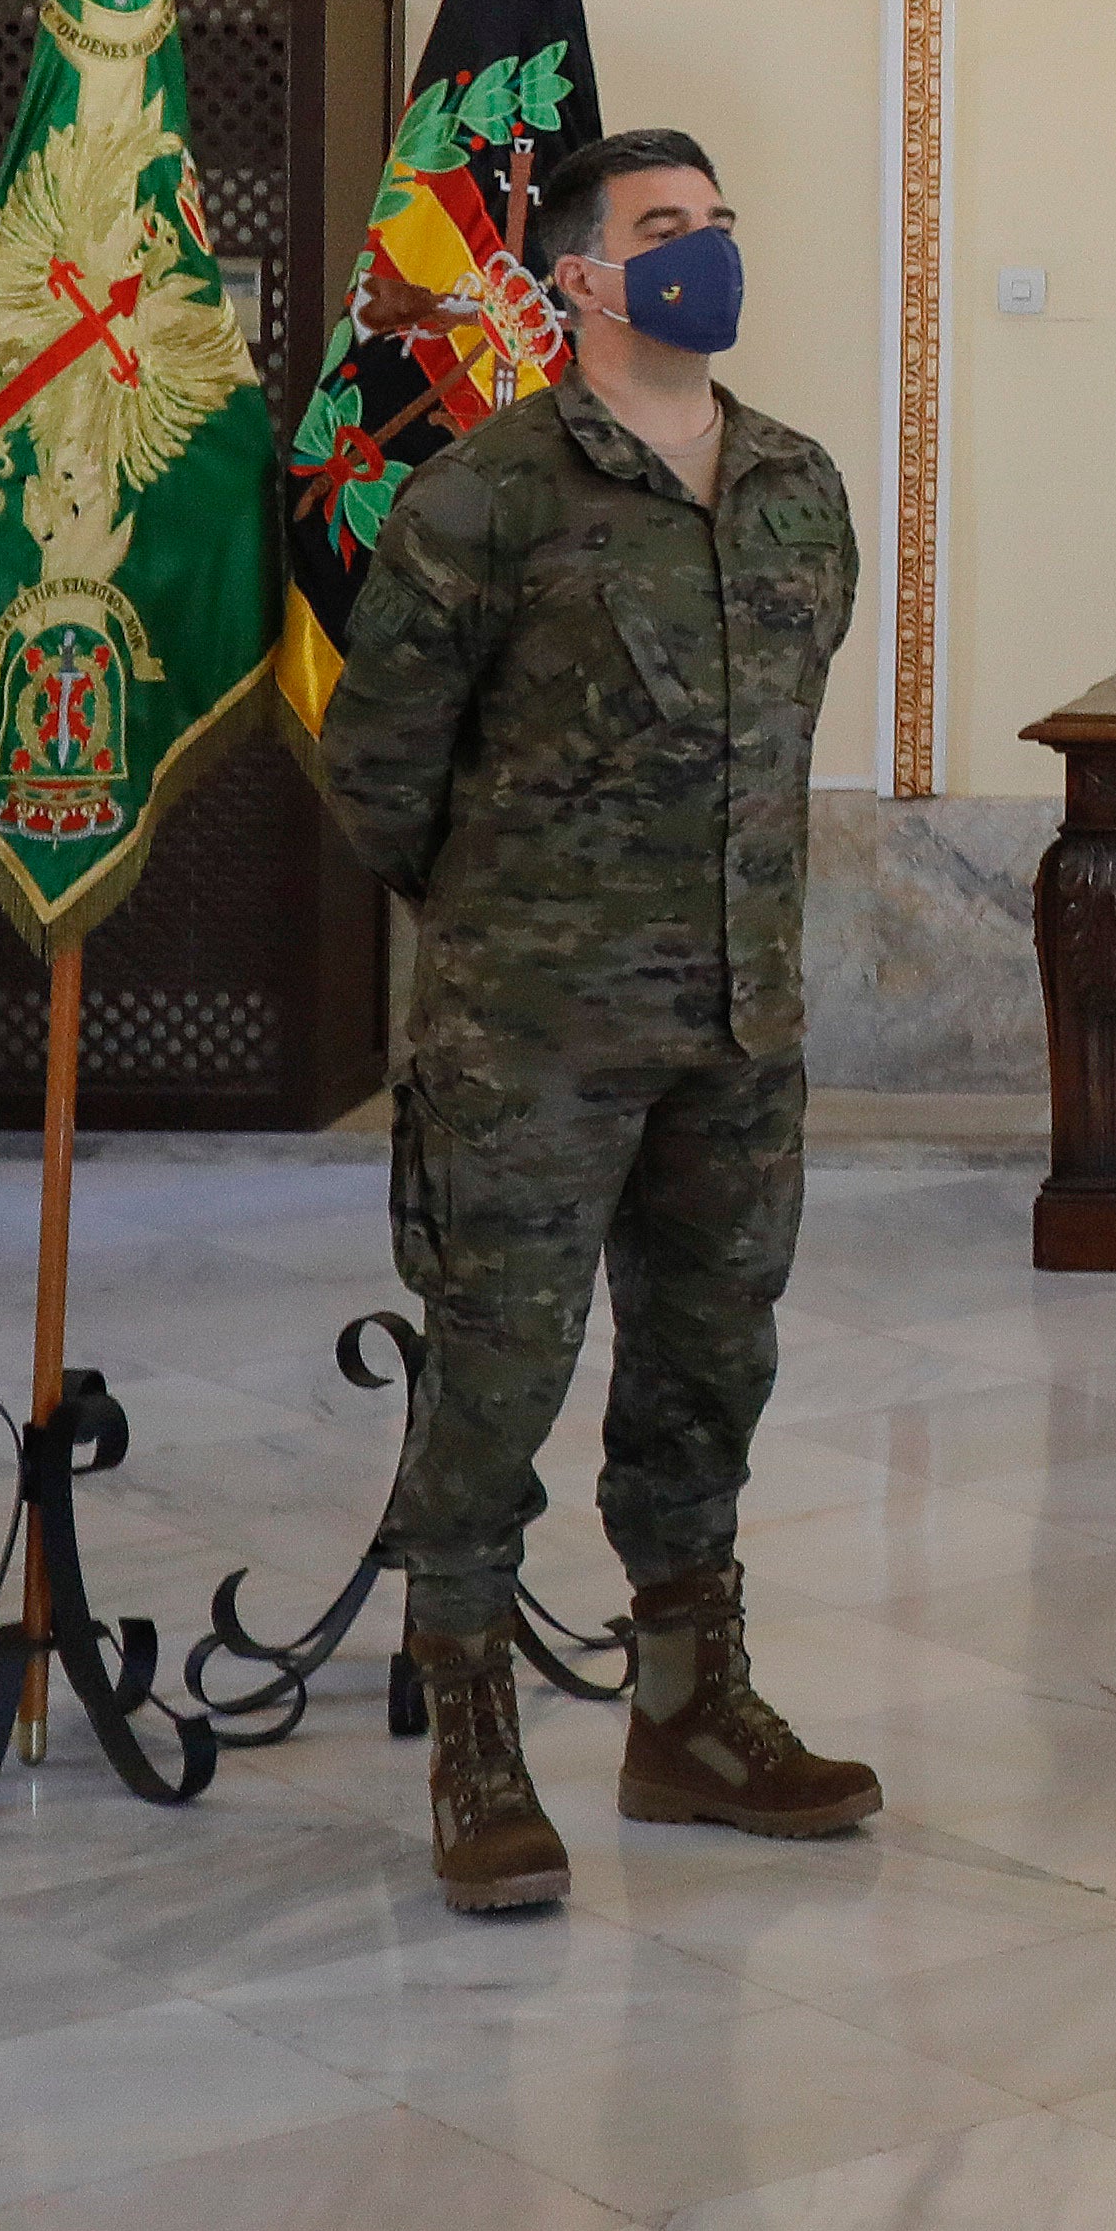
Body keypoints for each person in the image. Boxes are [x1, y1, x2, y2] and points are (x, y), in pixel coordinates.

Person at [311, 126, 881, 1912]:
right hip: (535, 1035)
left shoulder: (798, 486)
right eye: (664, 230)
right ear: (579, 278)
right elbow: (379, 771)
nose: (706, 251)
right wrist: (510, 935)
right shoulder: (488, 497)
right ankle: (472, 1731)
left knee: (712, 1368)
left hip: (739, 1021)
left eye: (719, 220)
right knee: (496, 1378)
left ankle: (692, 1708)